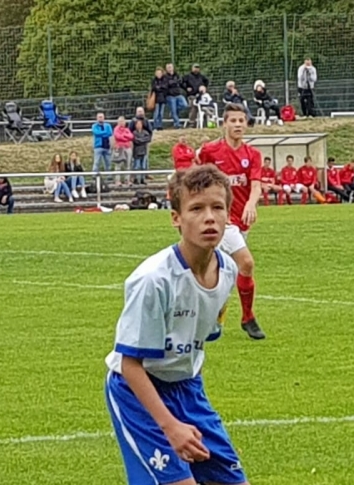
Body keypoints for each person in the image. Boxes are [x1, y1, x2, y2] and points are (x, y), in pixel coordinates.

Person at [104, 164, 249, 485]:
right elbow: (129, 364)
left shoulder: (227, 271)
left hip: (188, 388)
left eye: (217, 207)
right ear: (176, 218)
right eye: (196, 209)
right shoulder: (153, 280)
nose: (209, 218)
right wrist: (169, 425)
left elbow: (200, 339)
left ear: (228, 216)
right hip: (137, 392)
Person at [196, 103, 265, 340]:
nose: (237, 125)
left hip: (242, 220)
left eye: (241, 121)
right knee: (246, 263)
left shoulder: (253, 155)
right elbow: (197, 179)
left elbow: (255, 185)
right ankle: (248, 318)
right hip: (221, 220)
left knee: (224, 272)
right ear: (224, 123)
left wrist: (251, 204)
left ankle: (214, 319)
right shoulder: (210, 151)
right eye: (233, 120)